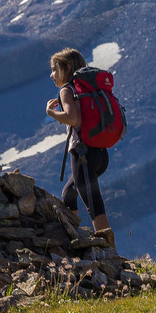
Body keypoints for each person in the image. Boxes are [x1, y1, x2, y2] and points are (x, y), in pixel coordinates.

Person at [46, 47, 114, 250]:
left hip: (82, 154)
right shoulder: (86, 89)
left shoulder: (67, 89)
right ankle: (74, 241)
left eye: (54, 69)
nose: (52, 75)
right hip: (100, 154)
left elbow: (72, 118)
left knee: (93, 203)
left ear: (66, 67)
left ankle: (111, 253)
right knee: (68, 195)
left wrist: (51, 113)